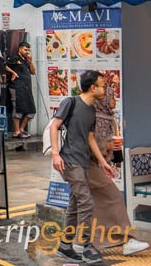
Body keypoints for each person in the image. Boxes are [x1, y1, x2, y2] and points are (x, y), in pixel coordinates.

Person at [76, 72, 150, 256]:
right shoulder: (94, 115)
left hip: (87, 164)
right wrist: (107, 146)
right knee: (113, 196)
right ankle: (128, 239)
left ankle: (81, 241)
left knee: (88, 204)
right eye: (111, 95)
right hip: (84, 163)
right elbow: (88, 141)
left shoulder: (108, 117)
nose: (114, 99)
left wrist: (110, 150)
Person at [50, 70, 118, 265]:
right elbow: (55, 126)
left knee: (74, 205)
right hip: (69, 160)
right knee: (86, 202)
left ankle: (65, 245)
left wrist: (103, 162)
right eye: (102, 85)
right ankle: (85, 245)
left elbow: (90, 138)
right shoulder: (70, 103)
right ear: (92, 87)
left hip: (83, 161)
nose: (105, 88)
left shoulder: (91, 110)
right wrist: (55, 153)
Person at [5, 41, 36, 138]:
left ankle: (22, 129)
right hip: (16, 87)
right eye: (25, 50)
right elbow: (4, 65)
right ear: (20, 49)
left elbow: (33, 72)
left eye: (28, 50)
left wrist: (31, 62)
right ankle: (17, 132)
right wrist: (13, 73)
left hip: (26, 88)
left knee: (31, 111)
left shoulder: (26, 60)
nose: (27, 52)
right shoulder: (15, 58)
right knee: (17, 109)